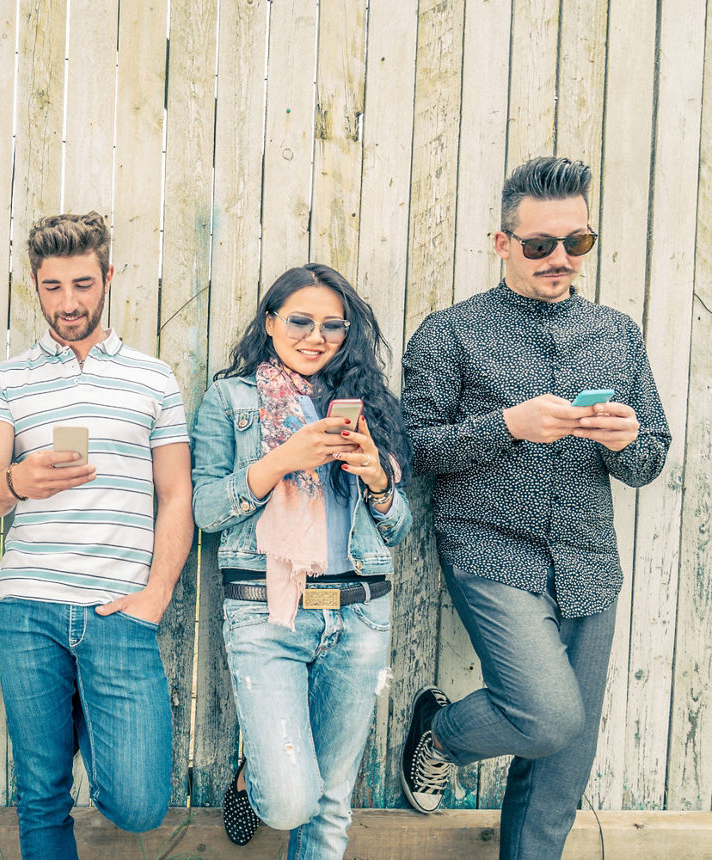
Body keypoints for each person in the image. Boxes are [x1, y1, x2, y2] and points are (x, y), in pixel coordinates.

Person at [399, 156, 670, 858]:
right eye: (539, 245)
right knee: (550, 717)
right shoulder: (450, 332)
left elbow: (650, 457)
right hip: (489, 551)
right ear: (501, 243)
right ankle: (439, 734)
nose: (559, 259)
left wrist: (626, 440)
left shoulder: (617, 333)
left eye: (576, 243)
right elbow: (415, 450)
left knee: (561, 774)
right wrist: (506, 426)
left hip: (588, 560)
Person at [0, 212, 194, 859]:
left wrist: (154, 596)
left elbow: (176, 495)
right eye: (53, 287)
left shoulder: (154, 378)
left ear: (109, 278)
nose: (69, 302)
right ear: (34, 286)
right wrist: (19, 479)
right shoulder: (7, 380)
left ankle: (95, 720)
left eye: (83, 284)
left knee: (140, 804)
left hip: (119, 609)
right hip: (29, 606)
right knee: (40, 792)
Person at [190, 264, 414, 857]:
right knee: (292, 802)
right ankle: (253, 775)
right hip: (267, 613)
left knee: (331, 802)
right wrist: (281, 459)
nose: (316, 336)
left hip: (359, 616)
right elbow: (207, 510)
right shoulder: (231, 400)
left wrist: (377, 483)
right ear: (270, 323)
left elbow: (398, 529)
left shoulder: (368, 407)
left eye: (332, 326)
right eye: (300, 321)